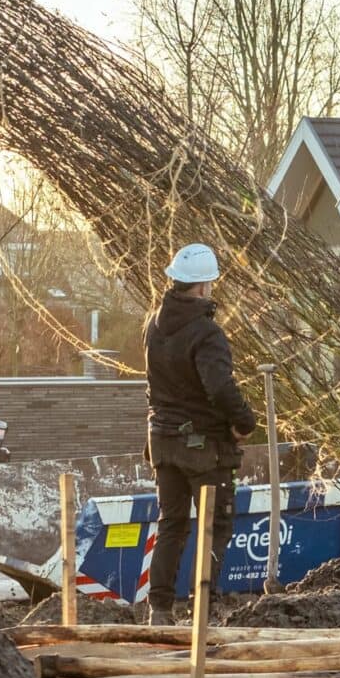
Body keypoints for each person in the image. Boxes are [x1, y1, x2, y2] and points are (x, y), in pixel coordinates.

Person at [143, 242, 256, 626]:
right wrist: (244, 422)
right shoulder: (206, 333)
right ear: (205, 286)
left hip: (162, 440)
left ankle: (159, 610)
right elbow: (220, 388)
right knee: (215, 527)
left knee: (171, 524)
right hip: (204, 449)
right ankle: (201, 612)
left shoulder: (153, 324)